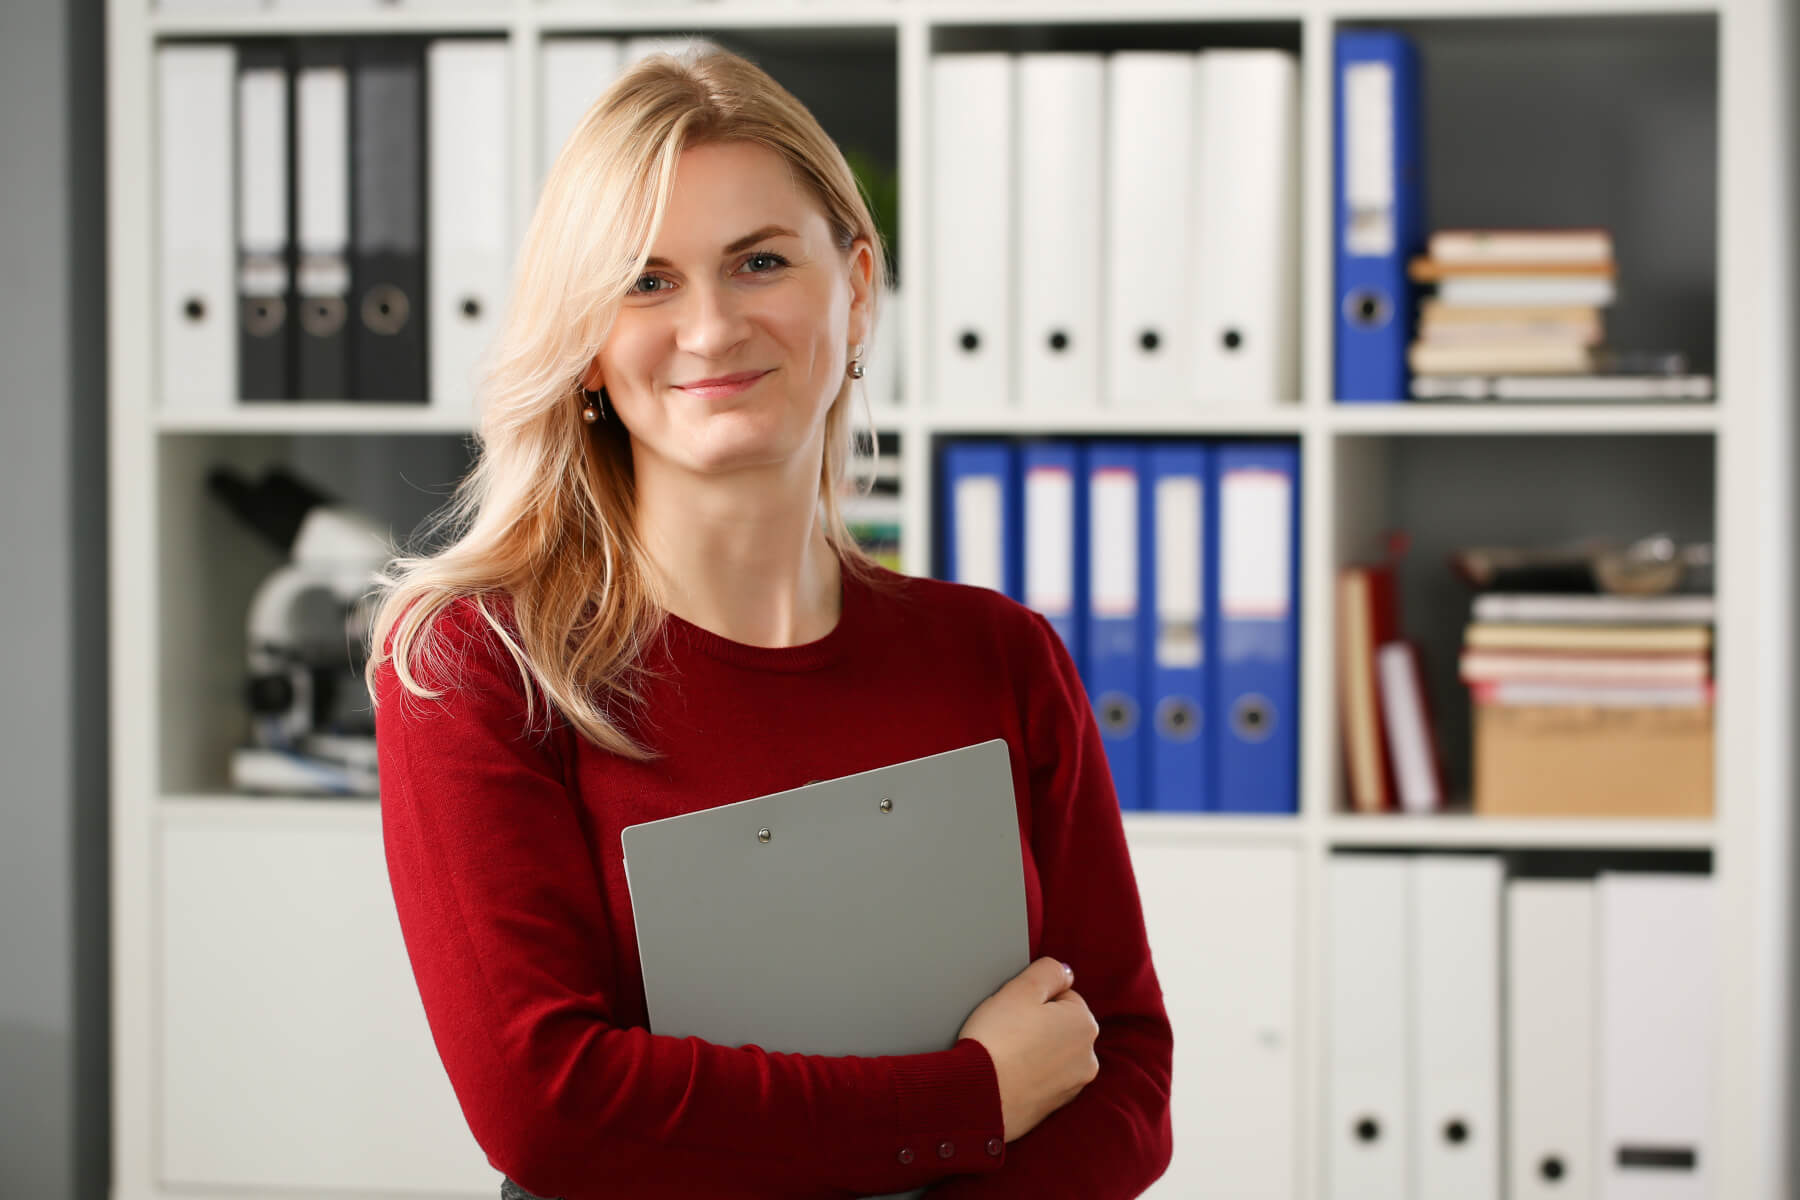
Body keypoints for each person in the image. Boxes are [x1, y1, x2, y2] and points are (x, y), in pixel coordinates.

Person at [367, 43, 1172, 1200]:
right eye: (646, 282)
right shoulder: (475, 665)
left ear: (854, 291)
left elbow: (1126, 1071)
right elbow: (548, 1108)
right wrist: (971, 1099)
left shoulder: (1000, 657)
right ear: (587, 345)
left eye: (757, 262)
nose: (709, 329)